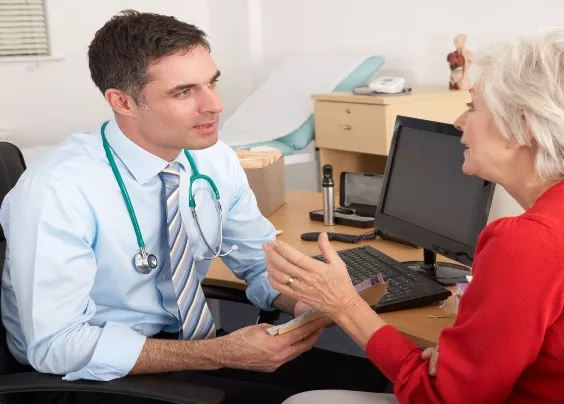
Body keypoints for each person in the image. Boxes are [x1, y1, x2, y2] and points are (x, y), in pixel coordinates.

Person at [266, 28, 564, 404]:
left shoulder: (529, 241)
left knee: (305, 400)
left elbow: (439, 398)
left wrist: (344, 304)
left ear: (522, 129)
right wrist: (468, 351)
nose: (458, 121)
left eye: (472, 107)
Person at [0, 10, 388, 404]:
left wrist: (304, 303)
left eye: (212, 83)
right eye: (183, 92)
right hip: (87, 372)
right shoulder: (57, 190)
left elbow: (257, 261)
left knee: (379, 379)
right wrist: (220, 354)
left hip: (186, 345)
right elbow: (56, 345)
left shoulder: (213, 158)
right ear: (122, 101)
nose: (214, 105)